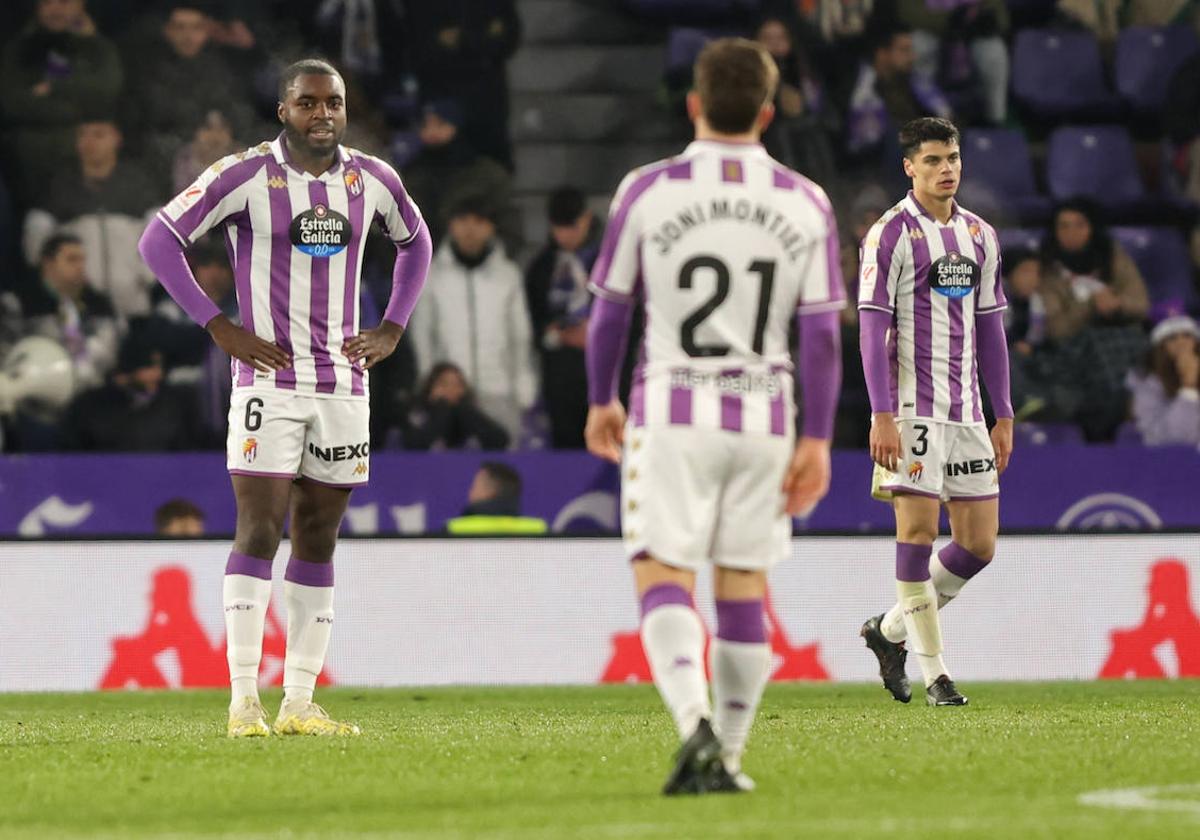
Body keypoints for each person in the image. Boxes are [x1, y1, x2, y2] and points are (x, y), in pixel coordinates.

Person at [137, 58, 433, 738]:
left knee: (319, 535)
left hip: (343, 384)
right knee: (260, 528)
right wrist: (220, 326)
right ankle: (244, 702)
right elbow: (160, 240)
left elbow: (416, 244)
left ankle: (299, 702)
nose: (322, 113)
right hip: (269, 379)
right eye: (307, 102)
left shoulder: (374, 179)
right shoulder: (245, 175)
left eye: (333, 102)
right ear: (283, 111)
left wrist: (392, 325)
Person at [585, 38, 843, 794]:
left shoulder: (648, 189)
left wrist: (601, 397)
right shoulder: (805, 200)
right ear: (768, 110)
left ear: (693, 103)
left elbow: (609, 312)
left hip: (673, 409)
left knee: (662, 571)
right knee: (742, 585)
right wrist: (820, 437)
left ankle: (694, 721)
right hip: (767, 416)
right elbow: (823, 334)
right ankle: (727, 757)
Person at [857, 117, 1013, 708]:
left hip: (969, 414)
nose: (946, 169)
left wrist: (1004, 413)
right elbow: (872, 330)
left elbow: (990, 325)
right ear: (909, 168)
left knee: (978, 546)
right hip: (911, 413)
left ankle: (888, 632)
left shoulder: (979, 235)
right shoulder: (890, 234)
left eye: (952, 157)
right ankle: (936, 674)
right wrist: (880, 414)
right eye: (932, 160)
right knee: (918, 535)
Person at [409, 195, 536, 443]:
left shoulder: (508, 275)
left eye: (479, 221)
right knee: (446, 474)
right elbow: (422, 332)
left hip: (499, 390)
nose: (470, 229)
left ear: (491, 227)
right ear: (451, 225)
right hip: (449, 396)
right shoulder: (433, 274)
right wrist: (429, 382)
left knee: (502, 470)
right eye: (462, 220)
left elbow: (519, 334)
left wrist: (523, 379)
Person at [23, 118, 161, 317]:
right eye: (82, 134)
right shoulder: (59, 186)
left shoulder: (140, 185)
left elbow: (163, 237)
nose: (89, 142)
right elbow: (36, 244)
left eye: (98, 134)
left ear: (116, 138)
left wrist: (146, 277)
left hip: (134, 306)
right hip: (79, 309)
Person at [1039, 198, 1149, 440]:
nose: (1071, 233)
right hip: (1073, 349)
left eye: (1079, 225)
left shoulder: (1111, 256)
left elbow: (1140, 303)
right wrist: (1089, 305)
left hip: (1121, 339)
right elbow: (1055, 329)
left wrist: (1117, 303)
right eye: (1064, 226)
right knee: (1100, 349)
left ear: (1092, 228)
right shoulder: (1046, 269)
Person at [0, 0, 123, 207]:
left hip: (82, 164)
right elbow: (12, 104)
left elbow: (106, 96)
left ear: (81, 5)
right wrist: (76, 102)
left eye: (64, 2)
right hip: (26, 164)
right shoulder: (18, 49)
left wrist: (54, 89)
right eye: (47, 3)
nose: (55, 9)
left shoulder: (98, 49)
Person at [524, 187, 600, 449]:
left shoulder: (609, 260)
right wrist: (556, 334)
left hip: (605, 371)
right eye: (559, 228)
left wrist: (598, 334)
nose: (566, 235)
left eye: (572, 226)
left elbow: (632, 316)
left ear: (587, 219)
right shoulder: (542, 267)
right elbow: (533, 323)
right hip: (559, 374)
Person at [4, 233, 119, 392]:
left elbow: (112, 354)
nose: (80, 266)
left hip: (91, 391)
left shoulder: (99, 303)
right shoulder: (18, 302)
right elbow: (8, 355)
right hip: (33, 391)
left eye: (82, 259)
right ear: (48, 263)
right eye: (72, 259)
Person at [60, 329, 207, 451]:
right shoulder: (90, 407)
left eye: (159, 366)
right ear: (127, 371)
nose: (158, 374)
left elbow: (192, 453)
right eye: (149, 367)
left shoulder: (178, 404)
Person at [847, 26, 952, 188]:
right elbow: (864, 139)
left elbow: (942, 113)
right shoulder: (860, 88)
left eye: (911, 50)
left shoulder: (911, 82)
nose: (911, 56)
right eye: (904, 50)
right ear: (882, 54)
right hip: (874, 170)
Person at [1127, 315, 1200, 446]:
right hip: (1175, 462)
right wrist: (1188, 388)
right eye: (1172, 338)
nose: (1181, 343)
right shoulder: (1147, 386)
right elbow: (1167, 440)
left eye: (1187, 336)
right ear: (1160, 347)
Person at [404, 362, 510, 451]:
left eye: (457, 384)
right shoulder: (417, 415)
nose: (450, 390)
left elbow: (500, 440)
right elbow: (414, 445)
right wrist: (441, 408)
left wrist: (464, 411)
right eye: (444, 384)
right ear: (431, 388)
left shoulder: (470, 413)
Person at [445, 461, 548, 534]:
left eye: (474, 487)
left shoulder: (454, 529)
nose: (470, 493)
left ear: (490, 492)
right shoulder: (540, 529)